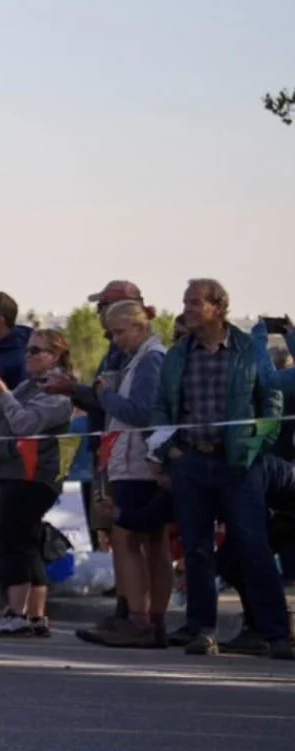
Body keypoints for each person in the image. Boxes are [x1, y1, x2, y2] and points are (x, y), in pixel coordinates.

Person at [149, 279, 292, 659]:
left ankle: (276, 634)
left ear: (217, 307)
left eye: (195, 302)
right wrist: (171, 451)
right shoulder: (179, 354)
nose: (188, 309)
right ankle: (201, 630)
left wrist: (258, 441)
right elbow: (162, 406)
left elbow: (271, 397)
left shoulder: (247, 349)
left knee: (254, 546)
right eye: (186, 302)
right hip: (191, 460)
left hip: (240, 464)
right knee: (196, 549)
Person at [76, 300, 172, 648]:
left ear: (139, 326)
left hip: (137, 462)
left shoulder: (150, 359)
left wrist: (105, 396)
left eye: (119, 332)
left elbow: (140, 411)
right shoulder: (143, 358)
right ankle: (152, 620)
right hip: (138, 459)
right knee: (151, 540)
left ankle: (140, 619)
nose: (115, 340)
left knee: (129, 540)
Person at [0, 329, 76, 637]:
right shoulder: (28, 385)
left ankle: (15, 611)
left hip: (34, 474)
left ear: (56, 356)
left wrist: (4, 394)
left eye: (37, 351)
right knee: (29, 542)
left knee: (11, 539)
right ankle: (35, 615)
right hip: (11, 470)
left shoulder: (57, 391)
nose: (29, 356)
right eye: (28, 350)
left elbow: (25, 425)